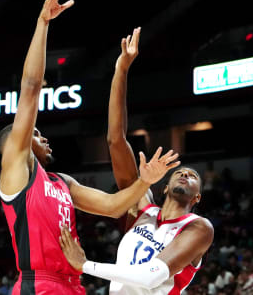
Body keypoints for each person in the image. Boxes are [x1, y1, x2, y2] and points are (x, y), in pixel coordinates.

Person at [0, 0, 181, 295]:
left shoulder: (61, 182)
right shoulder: (16, 167)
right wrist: (43, 23)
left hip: (73, 284)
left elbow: (112, 207)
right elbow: (30, 88)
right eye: (38, 135)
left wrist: (144, 182)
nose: (45, 139)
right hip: (38, 284)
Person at [58, 27, 214, 294]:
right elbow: (115, 140)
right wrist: (121, 70)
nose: (186, 175)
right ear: (164, 186)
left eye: (193, 176)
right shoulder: (141, 210)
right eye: (181, 172)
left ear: (197, 198)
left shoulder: (198, 227)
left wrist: (85, 265)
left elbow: (149, 278)